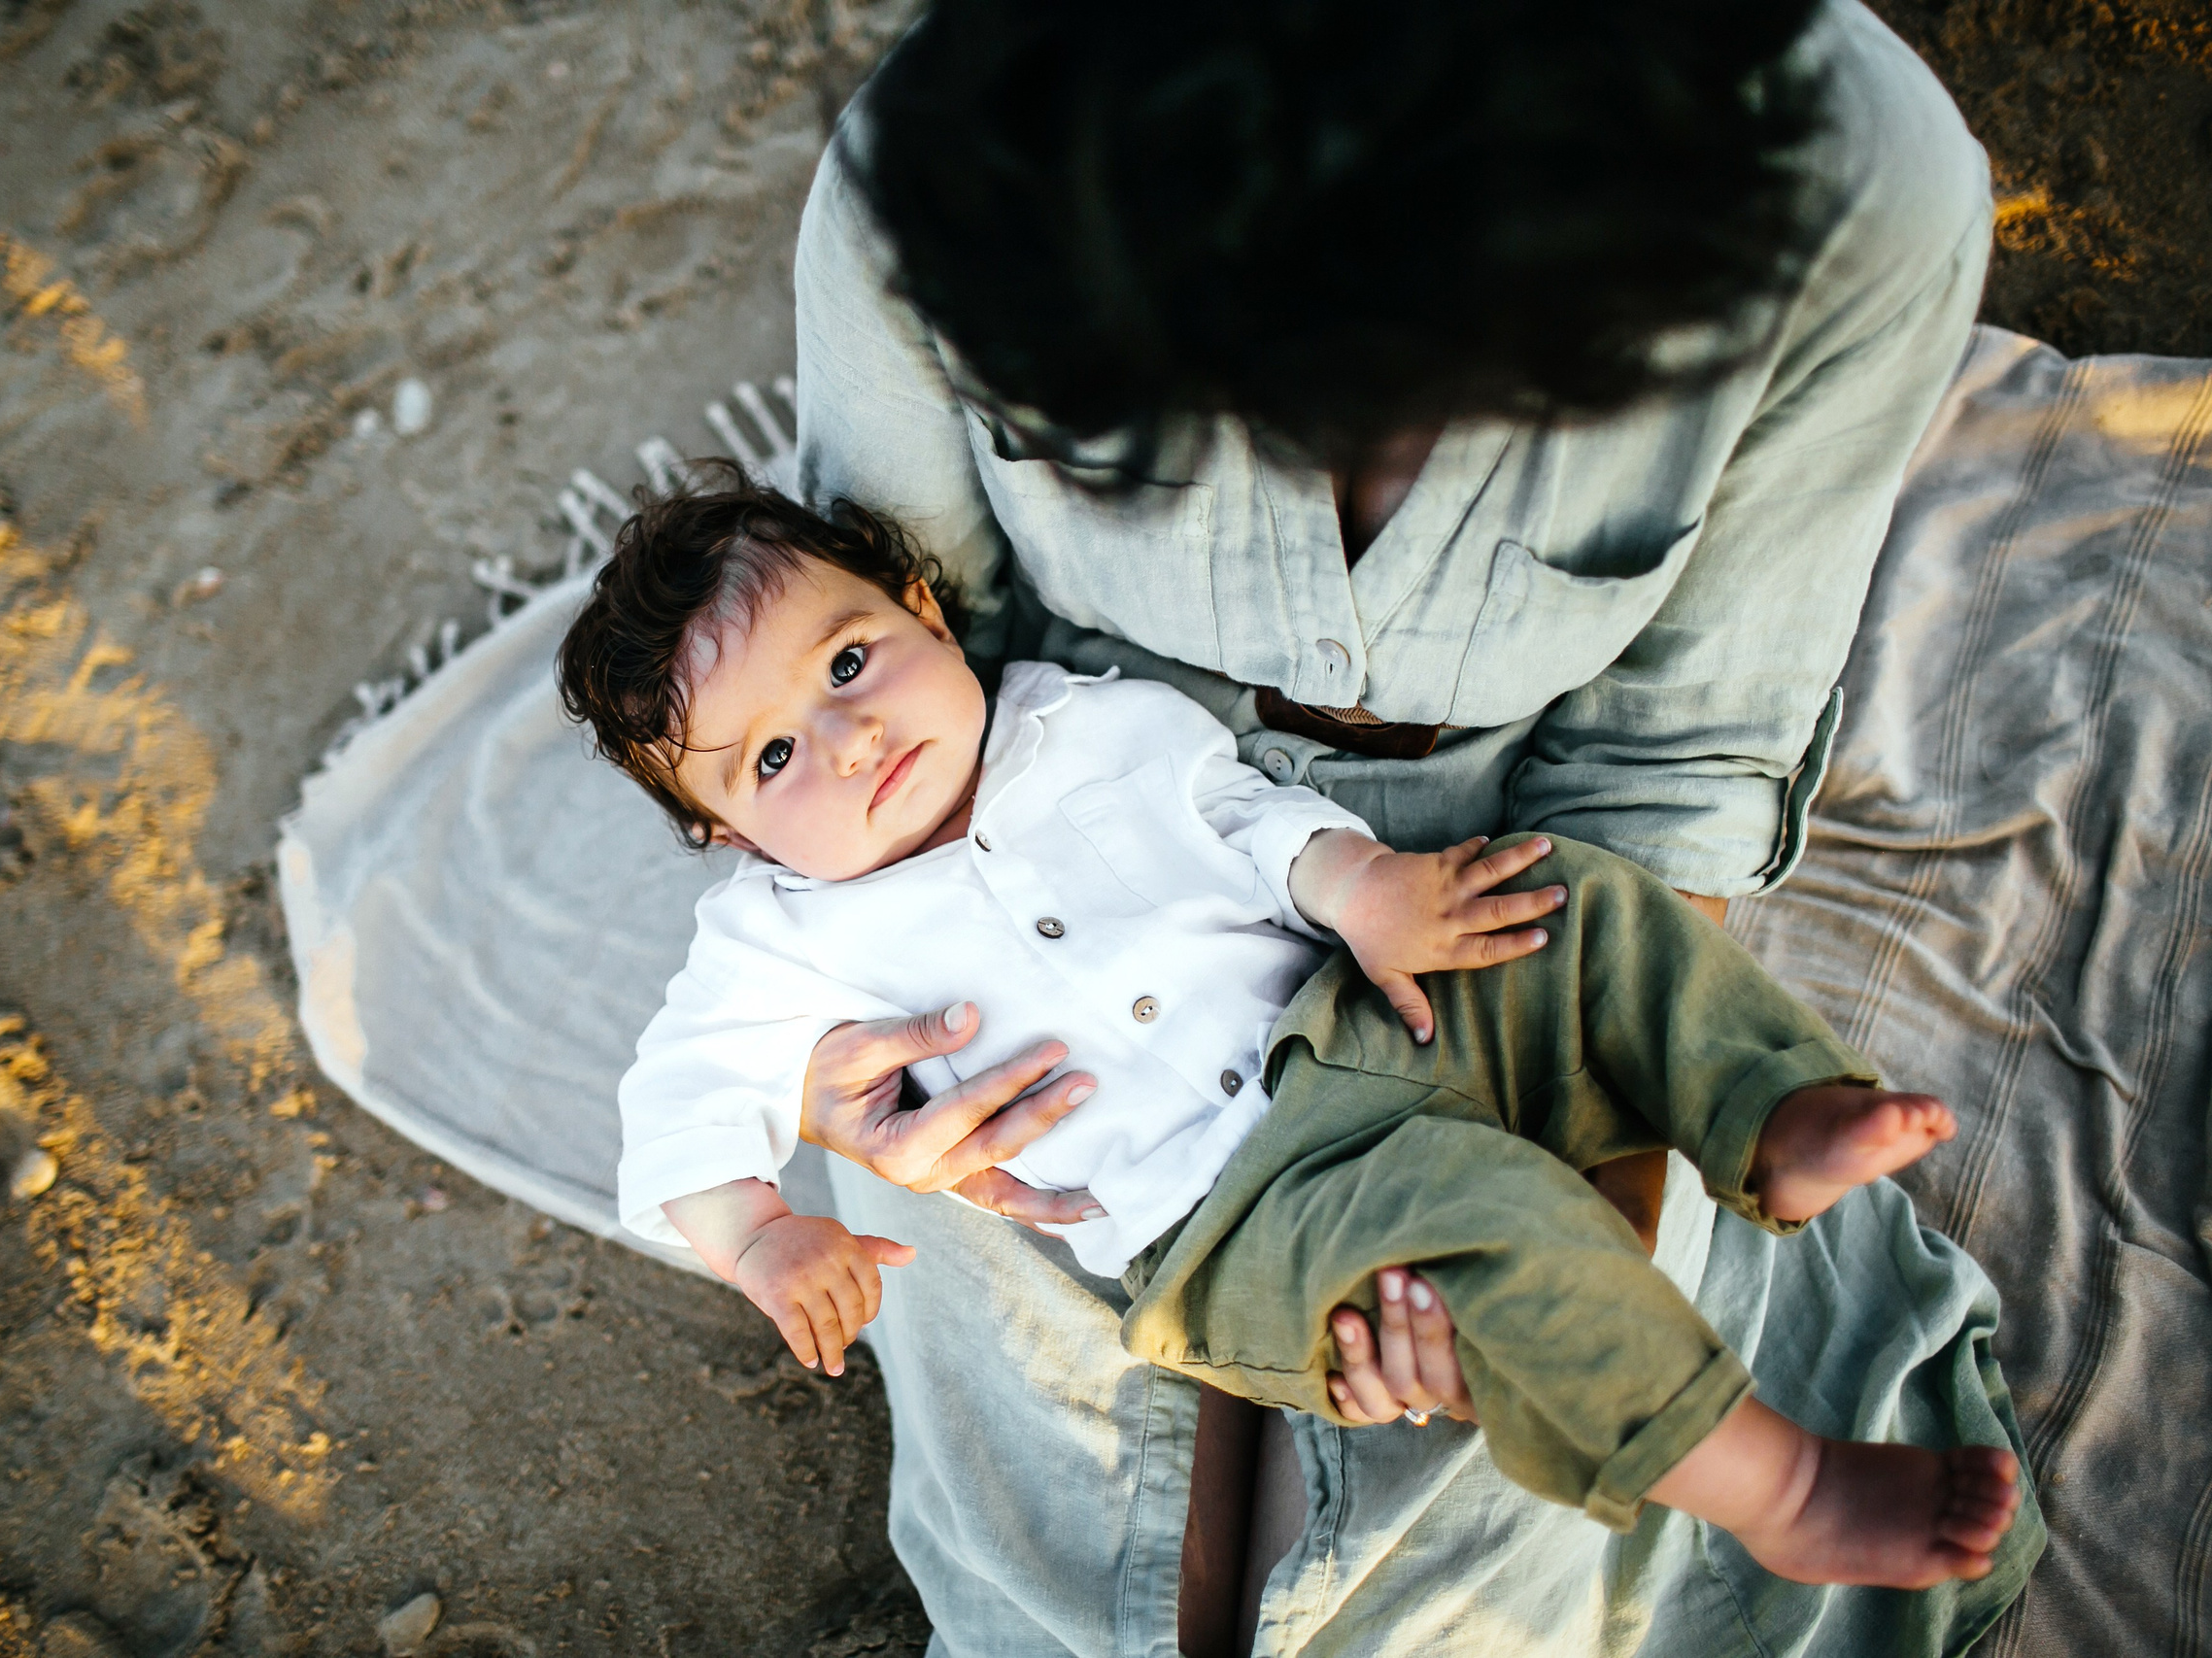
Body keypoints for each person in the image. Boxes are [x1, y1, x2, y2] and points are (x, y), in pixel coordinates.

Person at [774, 0, 2012, 1649]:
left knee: (1493, 1484)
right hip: (1045, 831)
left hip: (1506, 868)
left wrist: (1563, 1203)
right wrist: (855, 1090)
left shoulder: (1853, 181)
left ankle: (1745, 1159)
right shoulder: (938, 163)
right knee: (1046, 1468)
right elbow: (877, 661)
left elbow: (1673, 761)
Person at [557, 472, 2024, 1589]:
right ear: (724, 832)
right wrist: (759, 1236)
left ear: (922, 612)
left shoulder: (1083, 721)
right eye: (771, 759)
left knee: (1569, 900)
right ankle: (1786, 1491)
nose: (848, 740)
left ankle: (1772, 1110)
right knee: (1493, 1225)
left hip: (1365, 1023)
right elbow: (680, 1105)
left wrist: (1368, 888)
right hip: (1244, 1216)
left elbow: (1250, 820)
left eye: (847, 664)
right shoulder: (781, 938)